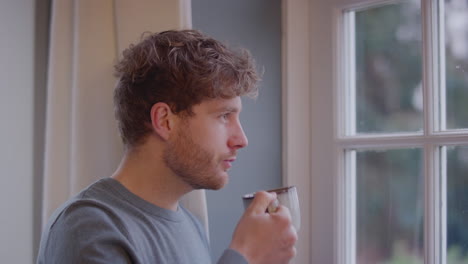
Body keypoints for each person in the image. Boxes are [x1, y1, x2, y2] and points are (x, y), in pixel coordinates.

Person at [37, 29, 297, 264]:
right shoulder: (88, 227)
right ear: (165, 121)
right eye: (223, 116)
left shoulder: (191, 226)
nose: (241, 139)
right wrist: (245, 257)